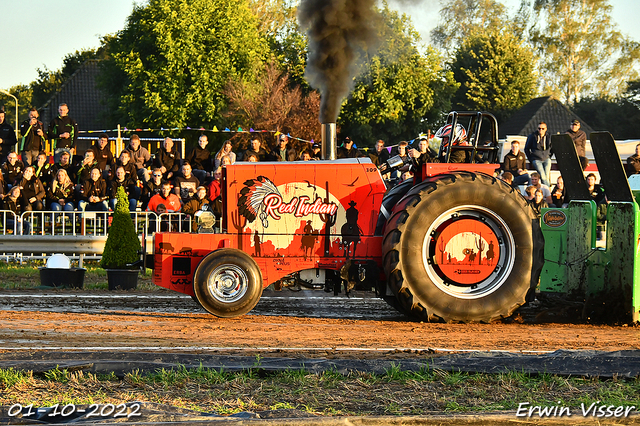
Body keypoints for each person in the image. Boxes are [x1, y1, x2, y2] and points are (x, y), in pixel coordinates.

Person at [525, 121, 553, 186]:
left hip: (546, 158)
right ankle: (548, 192)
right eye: (539, 128)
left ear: (546, 129)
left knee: (547, 176)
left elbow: (552, 148)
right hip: (536, 159)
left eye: (542, 128)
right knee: (543, 176)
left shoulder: (549, 137)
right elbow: (526, 149)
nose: (540, 130)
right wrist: (531, 159)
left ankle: (545, 192)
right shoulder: (532, 136)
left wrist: (549, 156)